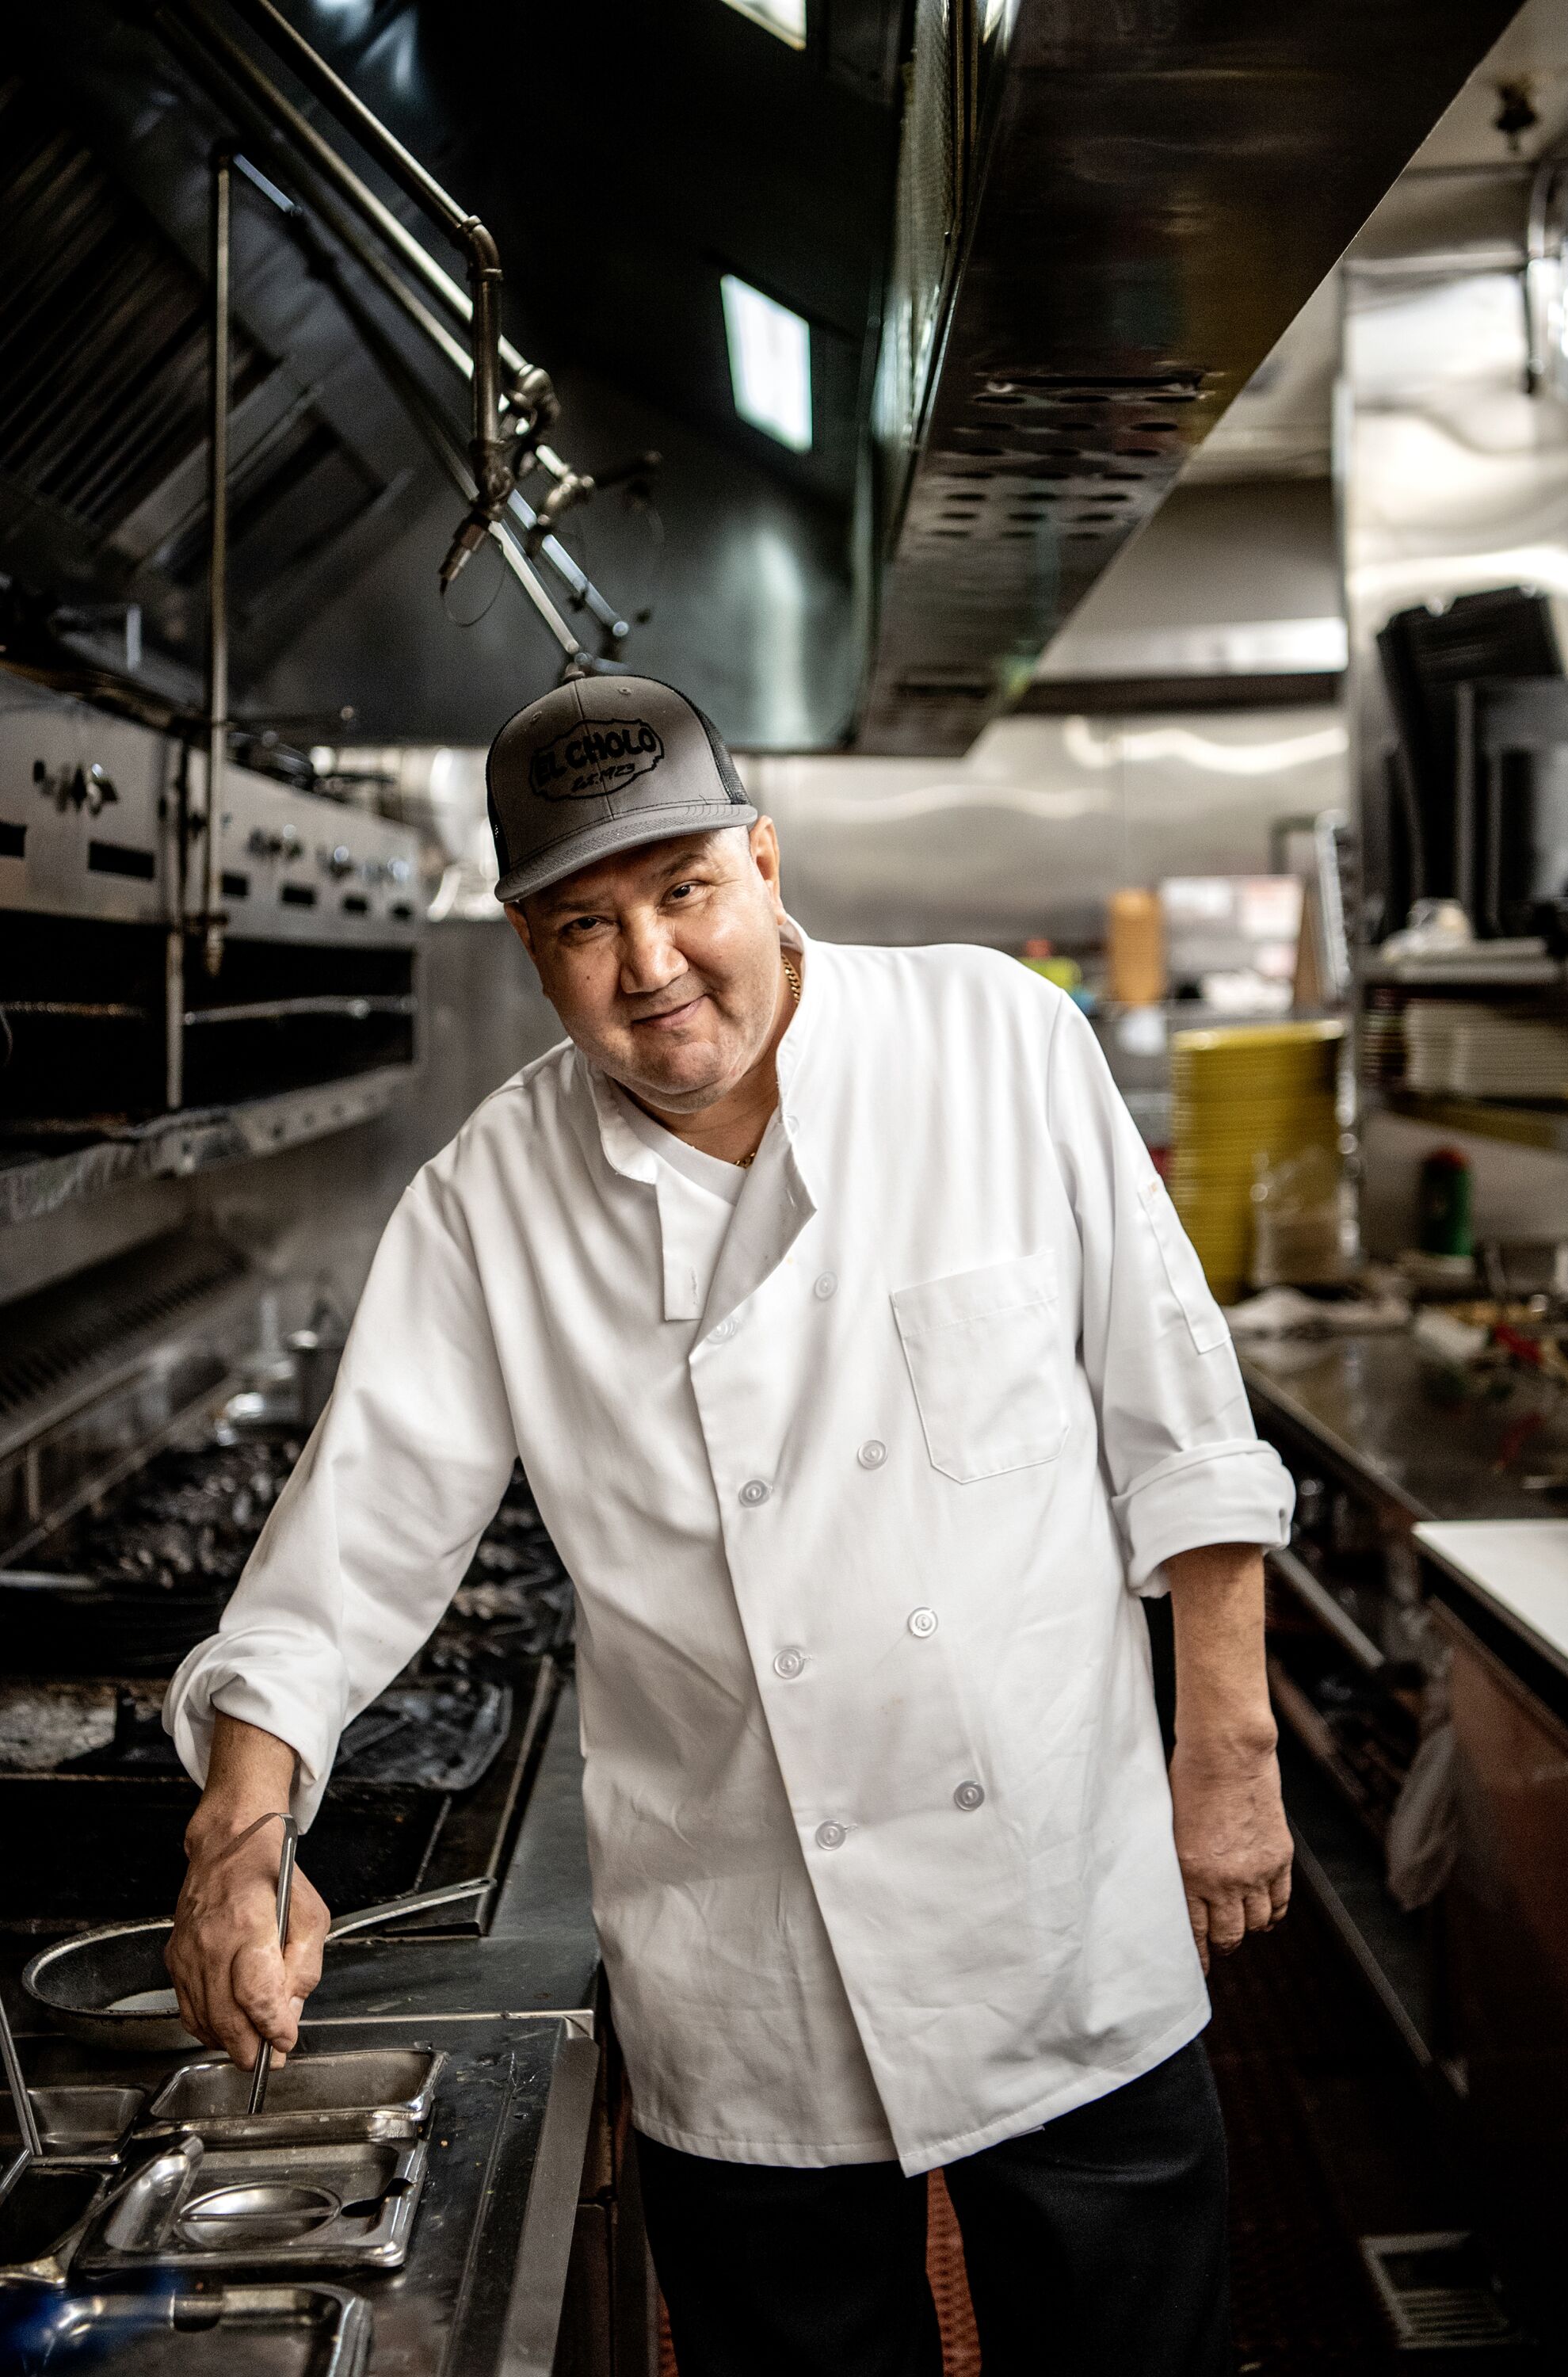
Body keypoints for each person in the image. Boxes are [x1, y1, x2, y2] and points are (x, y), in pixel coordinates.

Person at [164, 672, 1295, 2377]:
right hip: (743, 1969)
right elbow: (346, 1555)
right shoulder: (487, 1202)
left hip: (1061, 1912)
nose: (650, 968)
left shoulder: (996, 1043)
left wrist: (1226, 1749)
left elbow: (1181, 1431)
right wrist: (237, 1836)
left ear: (764, 859)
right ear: (525, 944)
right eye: (581, 926)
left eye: (683, 890)